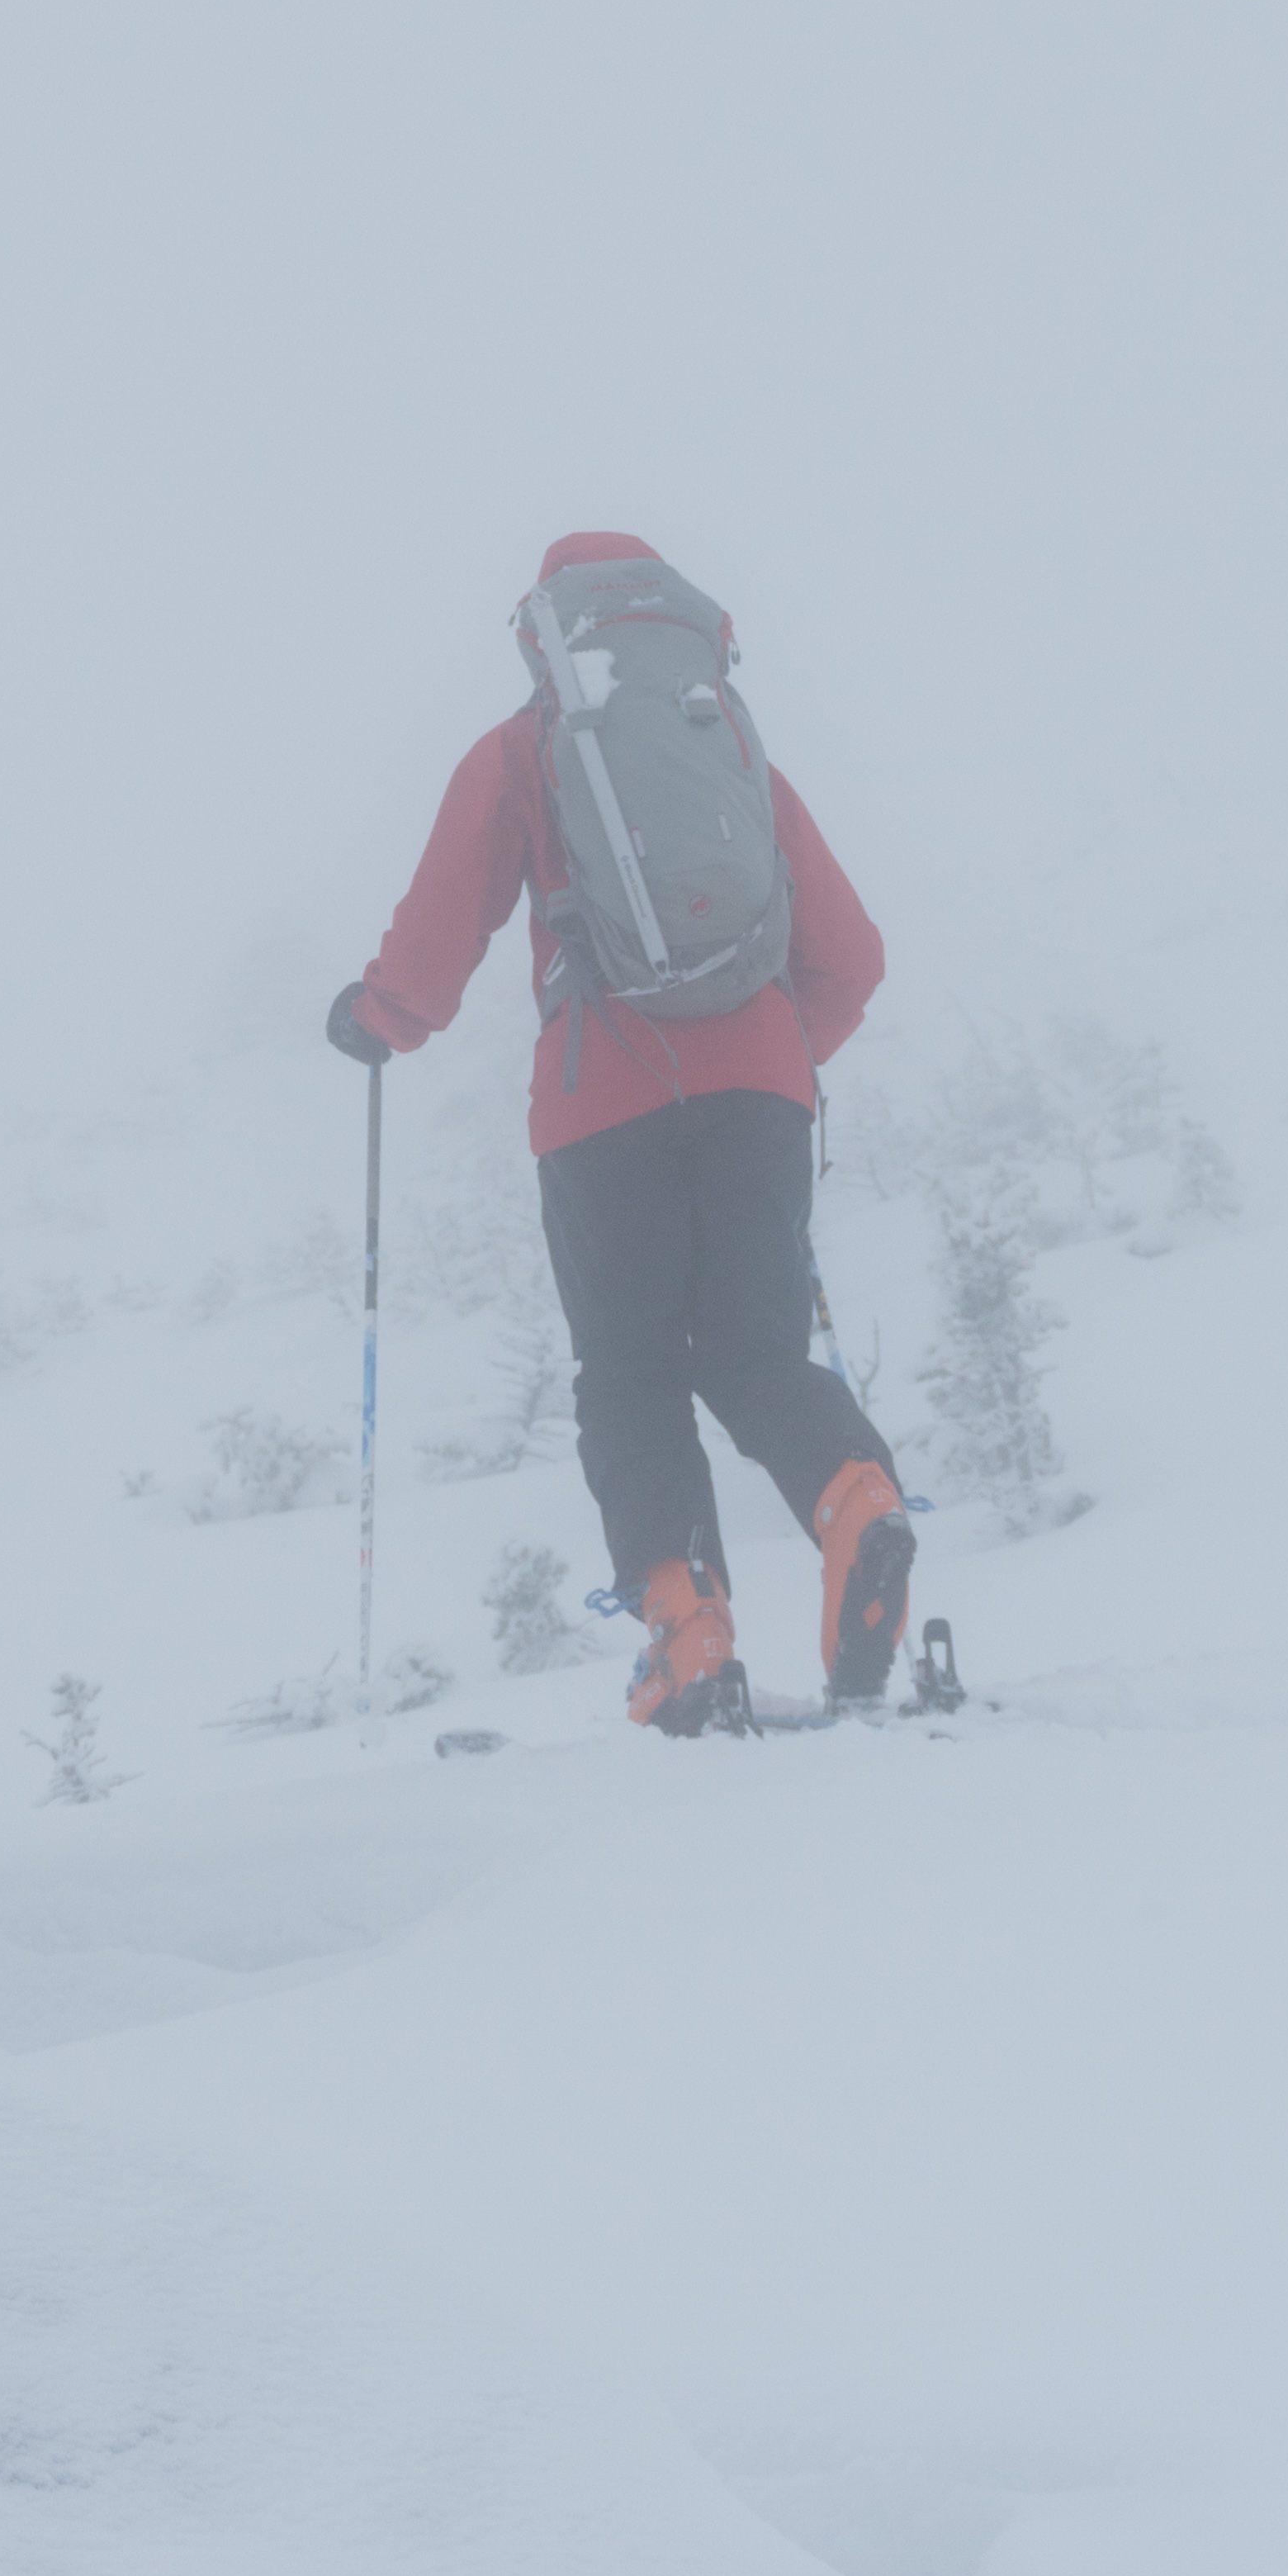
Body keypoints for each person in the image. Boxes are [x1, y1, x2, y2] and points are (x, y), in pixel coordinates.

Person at [326, 531, 912, 1734]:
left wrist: (378, 1019)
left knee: (632, 1376)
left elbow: (439, 938)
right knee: (756, 1359)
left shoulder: (524, 750)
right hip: (760, 1094)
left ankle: (686, 1629)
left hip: (601, 1111)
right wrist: (776, 1065)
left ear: (548, 632)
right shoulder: (732, 749)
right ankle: (857, 1504)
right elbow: (850, 960)